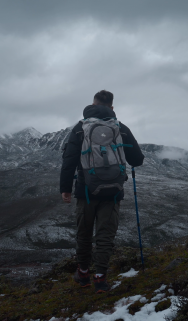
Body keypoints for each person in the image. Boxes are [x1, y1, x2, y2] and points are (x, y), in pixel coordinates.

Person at [60, 90, 145, 293]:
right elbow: (137, 159)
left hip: (86, 190)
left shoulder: (81, 128)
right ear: (112, 108)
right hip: (113, 192)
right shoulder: (120, 128)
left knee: (84, 234)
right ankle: (100, 278)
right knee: (105, 236)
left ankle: (83, 274)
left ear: (93, 104)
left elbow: (69, 159)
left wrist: (65, 189)